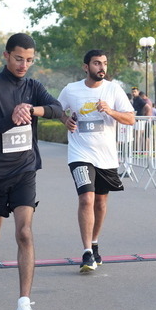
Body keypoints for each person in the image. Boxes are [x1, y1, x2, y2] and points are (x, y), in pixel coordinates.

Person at [0, 33, 63, 310]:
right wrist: (11, 118)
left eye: (29, 60)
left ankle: (23, 305)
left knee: (24, 233)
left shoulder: (33, 87)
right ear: (6, 55)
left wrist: (32, 110)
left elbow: (58, 110)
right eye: (19, 58)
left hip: (24, 170)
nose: (24, 65)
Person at [59, 49, 135, 273]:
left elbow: (130, 118)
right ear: (86, 67)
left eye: (104, 63)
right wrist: (65, 120)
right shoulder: (71, 89)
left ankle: (94, 243)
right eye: (96, 63)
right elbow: (56, 109)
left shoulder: (113, 89)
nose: (102, 67)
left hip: (106, 157)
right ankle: (86, 253)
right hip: (80, 154)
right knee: (86, 199)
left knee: (100, 203)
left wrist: (110, 111)